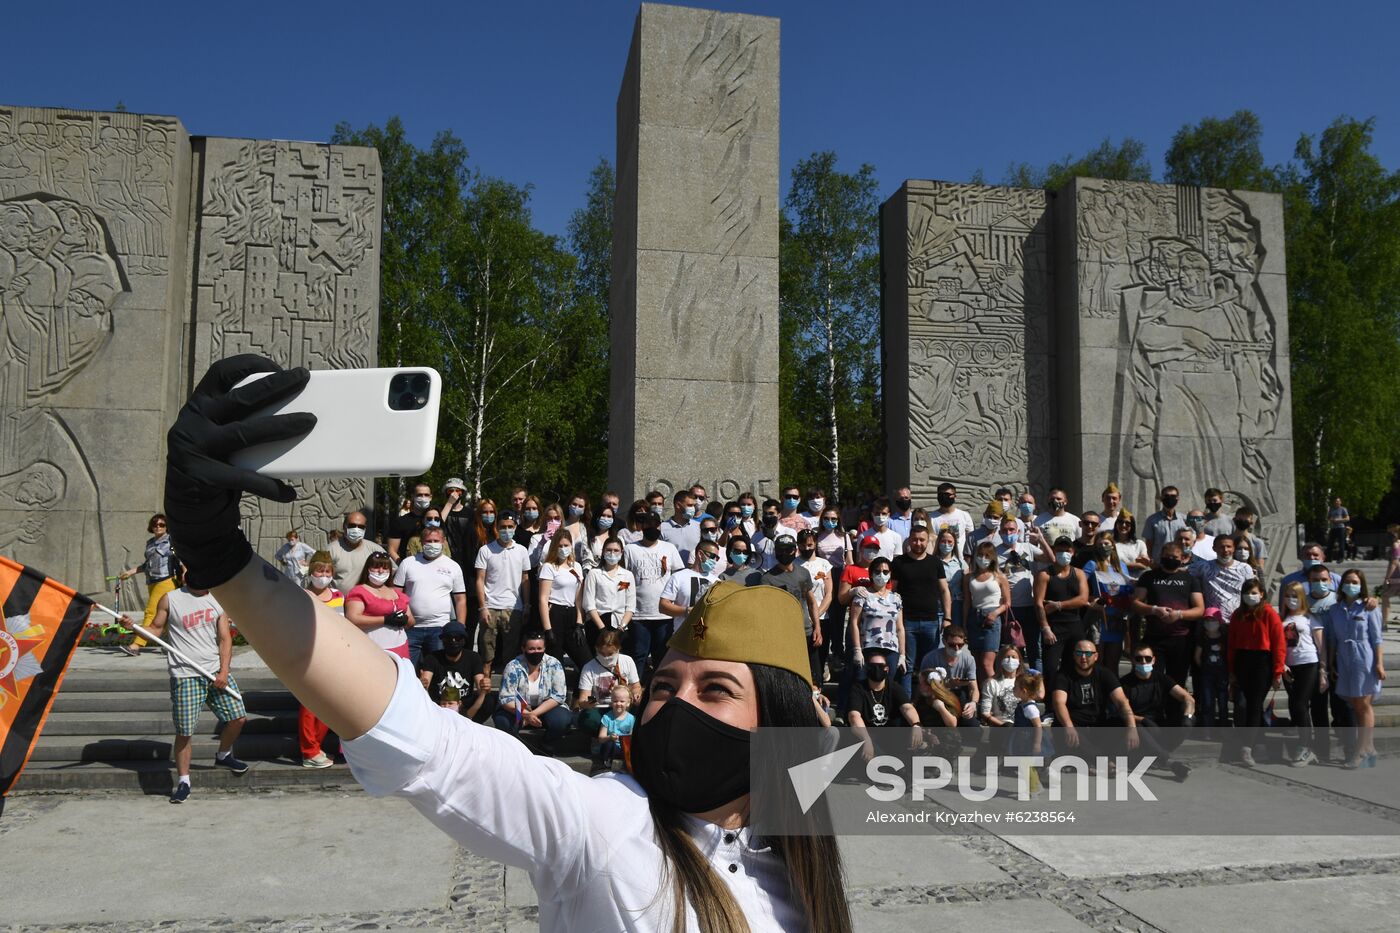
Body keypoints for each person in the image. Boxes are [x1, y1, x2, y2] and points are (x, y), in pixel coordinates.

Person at [160, 358, 854, 931]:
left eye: (716, 688)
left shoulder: (798, 864)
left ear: (780, 723)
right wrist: (223, 561)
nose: (674, 704)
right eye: (666, 684)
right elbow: (426, 740)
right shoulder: (609, 826)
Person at [144, 568, 248, 803]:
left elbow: (225, 638)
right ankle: (183, 781)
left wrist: (223, 670)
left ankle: (223, 755)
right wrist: (134, 628)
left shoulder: (217, 599)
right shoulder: (171, 598)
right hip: (185, 674)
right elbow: (156, 629)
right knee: (185, 731)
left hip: (213, 671)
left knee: (238, 718)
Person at [1325, 569, 1385, 769]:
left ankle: (1360, 751)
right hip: (1343, 657)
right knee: (1355, 704)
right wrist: (1332, 662)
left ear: (1361, 585)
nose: (1351, 585)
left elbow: (1377, 638)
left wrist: (1379, 663)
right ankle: (1369, 747)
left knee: (1364, 704)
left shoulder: (1368, 608)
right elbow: (1332, 638)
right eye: (1347, 582)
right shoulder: (1335, 609)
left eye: (1355, 582)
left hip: (1363, 656)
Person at [1226, 578, 1286, 767]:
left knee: (1254, 703)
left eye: (1254, 593)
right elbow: (1231, 644)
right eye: (1247, 593)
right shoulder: (1238, 614)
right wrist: (1232, 670)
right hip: (1243, 660)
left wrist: (1278, 671)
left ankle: (1247, 748)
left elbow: (1279, 643)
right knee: (1242, 703)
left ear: (1261, 594)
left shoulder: (1269, 614)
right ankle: (1255, 743)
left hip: (1263, 662)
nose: (1250, 596)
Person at [748, 529, 823, 680]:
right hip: (784, 635)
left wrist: (817, 628)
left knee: (814, 678)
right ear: (775, 552)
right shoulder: (767, 579)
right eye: (780, 550)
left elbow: (811, 602)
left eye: (788, 550)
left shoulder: (803, 573)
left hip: (806, 632)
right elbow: (766, 612)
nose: (784, 553)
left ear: (795, 550)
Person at [1050, 639, 1139, 765]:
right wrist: (1069, 726)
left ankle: (1093, 760)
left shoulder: (1105, 673)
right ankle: (1105, 762)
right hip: (1074, 727)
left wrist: (1132, 727)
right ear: (1074, 655)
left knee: (1130, 726)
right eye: (1079, 653)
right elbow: (1059, 703)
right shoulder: (1063, 675)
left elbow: (1122, 702)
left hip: (1097, 726)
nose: (1084, 657)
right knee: (1064, 731)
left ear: (1096, 656)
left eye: (1088, 653)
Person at [1132, 542, 1204, 693]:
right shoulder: (1149, 576)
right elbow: (1135, 603)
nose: (1171, 559)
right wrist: (1154, 610)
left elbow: (1199, 609)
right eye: (1167, 557)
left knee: (1177, 681)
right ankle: (1152, 713)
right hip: (1154, 638)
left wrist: (1179, 615)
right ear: (1161, 557)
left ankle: (1174, 714)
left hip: (1181, 640)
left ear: (1183, 558)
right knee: (1150, 679)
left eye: (1174, 557)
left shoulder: (1190, 579)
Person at [1119, 644, 1195, 779]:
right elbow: (1123, 712)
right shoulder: (1125, 683)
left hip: (1158, 725)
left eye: (1147, 659)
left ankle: (1156, 756)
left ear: (1153, 660)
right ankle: (1168, 762)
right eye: (1139, 658)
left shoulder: (1162, 678)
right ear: (1133, 660)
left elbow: (1188, 698)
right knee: (1136, 726)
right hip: (1138, 726)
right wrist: (1143, 719)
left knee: (1189, 720)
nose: (1143, 662)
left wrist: (1187, 717)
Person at [891, 525, 952, 693]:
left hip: (931, 621)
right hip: (906, 622)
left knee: (930, 667)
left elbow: (944, 590)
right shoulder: (898, 563)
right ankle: (906, 704)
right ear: (909, 540)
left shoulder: (935, 562)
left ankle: (930, 702)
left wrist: (947, 618)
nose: (918, 543)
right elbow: (892, 591)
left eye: (922, 540)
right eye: (915, 539)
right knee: (907, 666)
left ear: (928, 541)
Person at [395, 526, 466, 665]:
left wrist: (460, 627)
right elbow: (396, 594)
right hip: (410, 628)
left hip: (440, 628)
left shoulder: (453, 566)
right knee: (407, 669)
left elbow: (460, 599)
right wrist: (404, 617)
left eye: (436, 540)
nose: (432, 544)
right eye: (428, 541)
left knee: (437, 671)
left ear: (443, 541)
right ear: (421, 542)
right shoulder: (408, 563)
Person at [624, 511, 684, 675]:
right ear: (642, 526)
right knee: (638, 655)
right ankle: (635, 693)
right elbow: (624, 578)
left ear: (660, 525)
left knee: (662, 656)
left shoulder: (669, 548)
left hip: (664, 614)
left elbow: (679, 576)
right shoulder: (630, 549)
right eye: (648, 524)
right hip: (639, 614)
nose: (652, 527)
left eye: (655, 524)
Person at [299, 552, 344, 768]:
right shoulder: (302, 594)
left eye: (327, 571)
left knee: (327, 705)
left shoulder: (338, 595)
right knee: (309, 707)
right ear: (311, 572)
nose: (323, 575)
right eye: (319, 571)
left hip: (333, 657)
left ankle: (316, 746)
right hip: (309, 656)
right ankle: (309, 751)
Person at [494, 631, 571, 753]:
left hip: (546, 707)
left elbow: (558, 696)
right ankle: (517, 751)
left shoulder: (554, 664)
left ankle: (546, 746)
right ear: (523, 649)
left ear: (544, 648)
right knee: (502, 721)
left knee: (562, 720)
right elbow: (505, 698)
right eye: (531, 649)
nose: (536, 652)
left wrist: (532, 714)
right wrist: (525, 714)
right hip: (518, 708)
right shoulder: (513, 666)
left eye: (539, 648)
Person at [474, 513, 531, 672]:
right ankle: (484, 692)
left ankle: (508, 693)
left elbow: (525, 578)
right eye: (503, 527)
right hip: (490, 607)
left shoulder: (521, 551)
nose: (506, 530)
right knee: (486, 656)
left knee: (511, 657)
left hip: (513, 608)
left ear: (515, 528)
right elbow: (479, 579)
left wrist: (526, 605)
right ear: (497, 528)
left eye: (510, 527)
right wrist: (482, 607)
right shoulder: (486, 550)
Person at [115, 513, 176, 657]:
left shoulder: (172, 541)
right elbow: (146, 565)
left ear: (167, 527)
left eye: (162, 525)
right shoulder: (150, 543)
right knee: (166, 615)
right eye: (155, 524)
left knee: (151, 612)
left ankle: (136, 645)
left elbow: (183, 558)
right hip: (152, 581)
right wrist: (131, 572)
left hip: (167, 580)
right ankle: (171, 645)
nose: (158, 527)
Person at [847, 647, 922, 762]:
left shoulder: (894, 687)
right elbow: (854, 716)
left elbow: (907, 707)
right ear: (867, 668)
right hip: (867, 735)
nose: (877, 669)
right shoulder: (858, 688)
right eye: (873, 666)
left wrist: (916, 725)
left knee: (918, 734)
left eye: (880, 666)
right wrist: (866, 740)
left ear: (887, 669)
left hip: (889, 736)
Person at [846, 556, 906, 696]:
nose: (881, 575)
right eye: (877, 571)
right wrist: (856, 649)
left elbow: (900, 628)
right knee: (862, 684)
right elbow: (854, 622)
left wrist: (902, 654)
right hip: (868, 646)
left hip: (891, 648)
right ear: (871, 573)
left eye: (885, 572)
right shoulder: (863, 595)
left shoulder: (896, 598)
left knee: (888, 685)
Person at [1279, 581, 1324, 766]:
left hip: (1308, 663)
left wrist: (1324, 669)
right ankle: (1303, 743)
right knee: (1294, 704)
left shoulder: (1310, 618)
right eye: (1288, 595)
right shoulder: (1282, 618)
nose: (1291, 599)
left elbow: (1321, 646)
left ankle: (1306, 747)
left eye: (1295, 595)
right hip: (1290, 666)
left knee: (1300, 703)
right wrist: (1281, 665)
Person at [1034, 537, 1090, 679]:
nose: (1063, 553)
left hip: (1075, 624)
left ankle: (1070, 699)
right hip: (1053, 627)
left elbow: (1083, 599)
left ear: (1073, 552)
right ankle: (1050, 700)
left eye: (1067, 550)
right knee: (1051, 667)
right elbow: (1039, 603)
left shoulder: (1078, 573)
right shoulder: (1045, 575)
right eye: (1060, 550)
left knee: (1075, 666)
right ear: (1054, 551)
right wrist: (1045, 628)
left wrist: (1059, 605)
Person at [345, 551, 413, 660]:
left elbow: (411, 621)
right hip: (374, 649)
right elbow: (353, 618)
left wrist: (405, 620)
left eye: (385, 568)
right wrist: (385, 620)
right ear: (368, 569)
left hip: (400, 648)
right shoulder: (359, 591)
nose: (381, 571)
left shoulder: (397, 593)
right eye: (376, 568)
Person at [574, 628, 642, 736]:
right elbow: (583, 698)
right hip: (601, 708)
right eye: (601, 653)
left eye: (610, 654)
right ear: (596, 649)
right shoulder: (589, 667)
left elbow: (636, 685)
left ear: (618, 649)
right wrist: (588, 703)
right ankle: (601, 737)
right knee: (588, 719)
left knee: (642, 711)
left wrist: (636, 693)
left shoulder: (627, 661)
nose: (605, 657)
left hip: (623, 706)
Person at [418, 620, 488, 722]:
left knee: (489, 699)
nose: (453, 641)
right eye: (448, 638)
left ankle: (474, 725)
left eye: (457, 638)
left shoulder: (473, 657)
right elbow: (425, 681)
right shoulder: (432, 658)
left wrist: (484, 685)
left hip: (463, 704)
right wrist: (422, 685)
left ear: (464, 640)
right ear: (443, 640)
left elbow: (480, 686)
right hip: (439, 705)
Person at [1083, 530, 1132, 675]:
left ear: (1113, 545)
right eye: (1100, 544)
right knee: (1097, 659)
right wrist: (1090, 600)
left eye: (1106, 543)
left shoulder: (1121, 566)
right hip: (1098, 618)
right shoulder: (1092, 564)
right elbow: (1079, 585)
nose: (1103, 546)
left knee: (1113, 661)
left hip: (1116, 617)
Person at [538, 529, 587, 668]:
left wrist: (579, 622)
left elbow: (579, 597)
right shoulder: (549, 567)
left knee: (586, 660)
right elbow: (543, 599)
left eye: (566, 545)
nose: (563, 549)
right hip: (555, 614)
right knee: (555, 664)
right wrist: (548, 629)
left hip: (571, 614)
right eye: (560, 546)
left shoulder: (576, 566)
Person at [964, 541, 1012, 682]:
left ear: (992, 558)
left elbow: (1007, 602)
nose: (983, 559)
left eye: (987, 555)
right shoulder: (969, 577)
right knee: (976, 663)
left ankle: (994, 697)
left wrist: (995, 613)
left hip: (991, 618)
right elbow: (967, 602)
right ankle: (979, 696)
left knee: (987, 663)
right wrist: (964, 623)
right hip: (974, 616)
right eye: (980, 555)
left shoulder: (999, 576)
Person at [581, 537, 636, 652]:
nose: (612, 553)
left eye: (616, 550)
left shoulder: (627, 575)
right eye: (609, 550)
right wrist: (602, 629)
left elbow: (630, 606)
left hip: (620, 625)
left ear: (621, 552)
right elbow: (589, 604)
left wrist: (621, 629)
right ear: (603, 552)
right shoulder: (594, 573)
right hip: (598, 623)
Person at [917, 627, 980, 725]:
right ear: (944, 642)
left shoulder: (969, 659)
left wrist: (973, 703)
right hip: (936, 694)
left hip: (959, 694)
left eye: (960, 645)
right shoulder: (930, 658)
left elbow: (973, 688)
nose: (956, 648)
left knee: (973, 727)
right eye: (952, 645)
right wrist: (948, 684)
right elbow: (924, 686)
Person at [798, 529, 836, 683]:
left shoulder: (824, 564)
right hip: (801, 620)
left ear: (815, 543)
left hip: (822, 618)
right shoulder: (794, 564)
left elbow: (828, 594)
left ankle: (819, 689)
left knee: (820, 657)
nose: (807, 548)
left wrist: (816, 617)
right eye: (803, 545)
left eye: (810, 544)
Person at [660, 540, 723, 632]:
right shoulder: (678, 577)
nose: (714, 561)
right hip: (682, 636)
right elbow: (663, 606)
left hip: (707, 636)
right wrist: (686, 611)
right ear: (700, 554)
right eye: (712, 556)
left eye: (717, 558)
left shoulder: (717, 581)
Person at [1193, 534, 1256, 618]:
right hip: (1212, 622)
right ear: (1214, 549)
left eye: (1229, 546)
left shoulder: (1245, 568)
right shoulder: (1203, 567)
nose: (1225, 550)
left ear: (1233, 548)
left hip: (1238, 619)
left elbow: (1252, 592)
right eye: (1221, 547)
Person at [328, 511, 387, 594]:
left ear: (365, 529)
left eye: (361, 527)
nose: (356, 529)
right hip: (338, 602)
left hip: (367, 602)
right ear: (344, 527)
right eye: (352, 525)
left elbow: (391, 570)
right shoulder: (331, 549)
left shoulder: (375, 549)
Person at [1194, 608, 1230, 737]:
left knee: (1222, 703)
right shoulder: (1202, 639)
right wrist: (1204, 668)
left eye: (1213, 620)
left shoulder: (1225, 639)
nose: (1210, 623)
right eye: (1207, 620)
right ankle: (1207, 730)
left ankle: (1224, 730)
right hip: (1207, 675)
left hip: (1222, 675)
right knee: (1208, 702)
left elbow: (1228, 655)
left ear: (1219, 622)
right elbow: (1197, 656)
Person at [593, 686, 636, 775]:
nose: (618, 703)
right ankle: (605, 763)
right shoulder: (607, 717)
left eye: (622, 701)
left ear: (628, 703)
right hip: (611, 747)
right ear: (611, 702)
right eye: (615, 701)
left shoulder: (631, 719)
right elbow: (601, 738)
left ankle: (627, 765)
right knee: (609, 744)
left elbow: (632, 737)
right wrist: (609, 737)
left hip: (623, 749)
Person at [979, 645, 1024, 728]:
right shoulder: (991, 683)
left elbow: (1039, 695)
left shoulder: (1024, 682)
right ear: (1000, 660)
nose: (1010, 660)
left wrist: (1038, 677)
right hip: (1001, 728)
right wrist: (1004, 726)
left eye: (1014, 657)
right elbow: (985, 712)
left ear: (1019, 661)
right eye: (1007, 657)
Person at [387, 481, 433, 562]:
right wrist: (403, 565)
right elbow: (392, 550)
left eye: (426, 495)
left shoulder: (436, 520)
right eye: (419, 495)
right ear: (412, 497)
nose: (423, 498)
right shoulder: (400, 522)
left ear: (431, 497)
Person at [936, 529, 966, 641]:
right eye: (943, 541)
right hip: (938, 605)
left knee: (955, 637)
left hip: (957, 604)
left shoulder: (960, 563)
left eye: (950, 542)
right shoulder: (934, 561)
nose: (946, 544)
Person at [1143, 485, 1186, 563]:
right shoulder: (1152, 520)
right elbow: (1149, 544)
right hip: (1159, 564)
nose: (1169, 498)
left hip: (1179, 563)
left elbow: (1189, 542)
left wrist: (1186, 559)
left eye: (1173, 496)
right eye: (1166, 496)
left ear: (1178, 498)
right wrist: (1151, 561)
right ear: (1161, 498)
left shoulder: (1184, 520)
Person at [660, 489, 702, 565]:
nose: (693, 509)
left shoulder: (699, 527)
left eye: (693, 505)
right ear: (678, 505)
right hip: (672, 573)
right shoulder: (662, 528)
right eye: (689, 505)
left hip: (694, 572)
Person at [439, 478, 474, 568]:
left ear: (462, 492)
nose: (454, 493)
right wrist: (449, 503)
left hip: (465, 557)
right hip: (445, 555)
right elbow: (438, 525)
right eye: (450, 490)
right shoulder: (440, 510)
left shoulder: (470, 513)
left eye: (457, 490)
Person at [1112, 510, 1151, 578]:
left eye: (1127, 523)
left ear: (1132, 526)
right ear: (1116, 524)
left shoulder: (1139, 544)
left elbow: (1143, 565)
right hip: (1117, 582)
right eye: (1121, 522)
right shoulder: (1110, 543)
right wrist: (1135, 565)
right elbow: (1108, 565)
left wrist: (1120, 565)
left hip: (1137, 582)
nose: (1124, 525)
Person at [560, 492, 593, 567]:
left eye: (580, 506)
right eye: (574, 504)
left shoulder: (586, 528)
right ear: (569, 505)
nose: (576, 507)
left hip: (580, 568)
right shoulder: (561, 525)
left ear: (585, 509)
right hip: (561, 567)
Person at [1383, 524, 1400, 628]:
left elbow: (1394, 562)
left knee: (1385, 596)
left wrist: (1387, 578)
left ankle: (1384, 623)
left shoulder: (1396, 545)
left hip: (1396, 575)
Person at [1327, 496, 1350, 563]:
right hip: (1333, 527)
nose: (1336, 502)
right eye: (1335, 501)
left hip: (1341, 527)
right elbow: (1328, 517)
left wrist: (1339, 520)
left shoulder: (1343, 509)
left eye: (1338, 501)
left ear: (1340, 502)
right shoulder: (1331, 509)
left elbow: (1347, 518)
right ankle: (1328, 558)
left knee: (1341, 543)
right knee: (1330, 543)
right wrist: (1331, 520)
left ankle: (1341, 558)